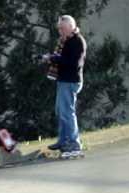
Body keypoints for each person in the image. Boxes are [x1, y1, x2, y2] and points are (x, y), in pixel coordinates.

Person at [44, 15, 87, 157]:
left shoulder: (76, 41)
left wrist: (53, 58)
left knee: (67, 113)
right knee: (60, 111)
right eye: (59, 28)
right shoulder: (67, 40)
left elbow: (72, 63)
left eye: (62, 28)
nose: (60, 31)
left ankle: (74, 144)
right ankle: (63, 141)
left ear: (70, 27)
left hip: (70, 81)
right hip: (64, 80)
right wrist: (53, 58)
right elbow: (64, 59)